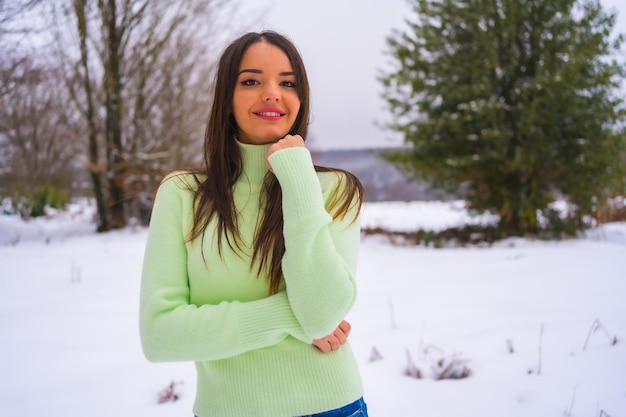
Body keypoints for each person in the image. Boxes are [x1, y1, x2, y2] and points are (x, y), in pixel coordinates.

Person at [139, 30, 368, 417]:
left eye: (288, 82)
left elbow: (322, 312)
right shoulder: (182, 195)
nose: (272, 93)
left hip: (333, 407)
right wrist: (290, 318)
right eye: (250, 81)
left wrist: (296, 176)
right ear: (226, 99)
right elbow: (160, 335)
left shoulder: (335, 189)